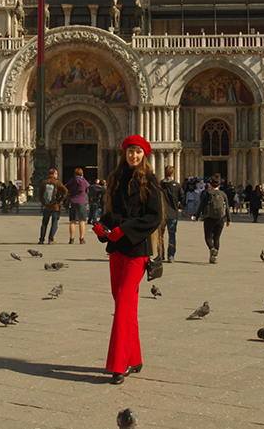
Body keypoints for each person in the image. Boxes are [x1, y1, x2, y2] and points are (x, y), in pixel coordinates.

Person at [93, 134, 163, 385]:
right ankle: (134, 358)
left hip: (136, 250)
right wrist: (103, 227)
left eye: (138, 152)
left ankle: (118, 364)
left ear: (144, 155)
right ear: (124, 153)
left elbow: (154, 216)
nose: (134, 156)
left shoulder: (150, 181)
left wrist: (126, 229)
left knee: (123, 304)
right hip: (117, 250)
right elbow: (111, 213)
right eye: (130, 151)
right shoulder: (115, 179)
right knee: (126, 306)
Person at [194, 174, 231, 264]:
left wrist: (197, 216)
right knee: (217, 238)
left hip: (209, 218)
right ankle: (215, 256)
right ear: (219, 183)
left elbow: (201, 205)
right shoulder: (223, 194)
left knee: (208, 237)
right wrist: (229, 219)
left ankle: (211, 249)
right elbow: (227, 207)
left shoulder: (207, 193)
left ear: (210, 183)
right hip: (220, 219)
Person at [38, 169, 67, 245]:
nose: (57, 175)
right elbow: (65, 191)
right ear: (54, 174)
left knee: (44, 223)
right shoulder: (58, 183)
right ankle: (51, 239)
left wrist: (43, 202)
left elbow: (39, 194)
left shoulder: (44, 182)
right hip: (55, 206)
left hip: (46, 206)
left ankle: (41, 239)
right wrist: (60, 200)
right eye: (56, 174)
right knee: (54, 223)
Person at [159, 166, 182, 262]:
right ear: (173, 174)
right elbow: (182, 198)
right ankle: (171, 256)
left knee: (160, 236)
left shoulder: (158, 185)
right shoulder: (176, 186)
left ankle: (160, 254)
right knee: (172, 235)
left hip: (161, 214)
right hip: (172, 214)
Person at [65, 167, 91, 244]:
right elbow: (88, 185)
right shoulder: (83, 181)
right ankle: (81, 238)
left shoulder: (72, 180)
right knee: (81, 221)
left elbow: (66, 186)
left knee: (72, 221)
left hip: (73, 201)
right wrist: (82, 177)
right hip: (82, 201)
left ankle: (71, 238)